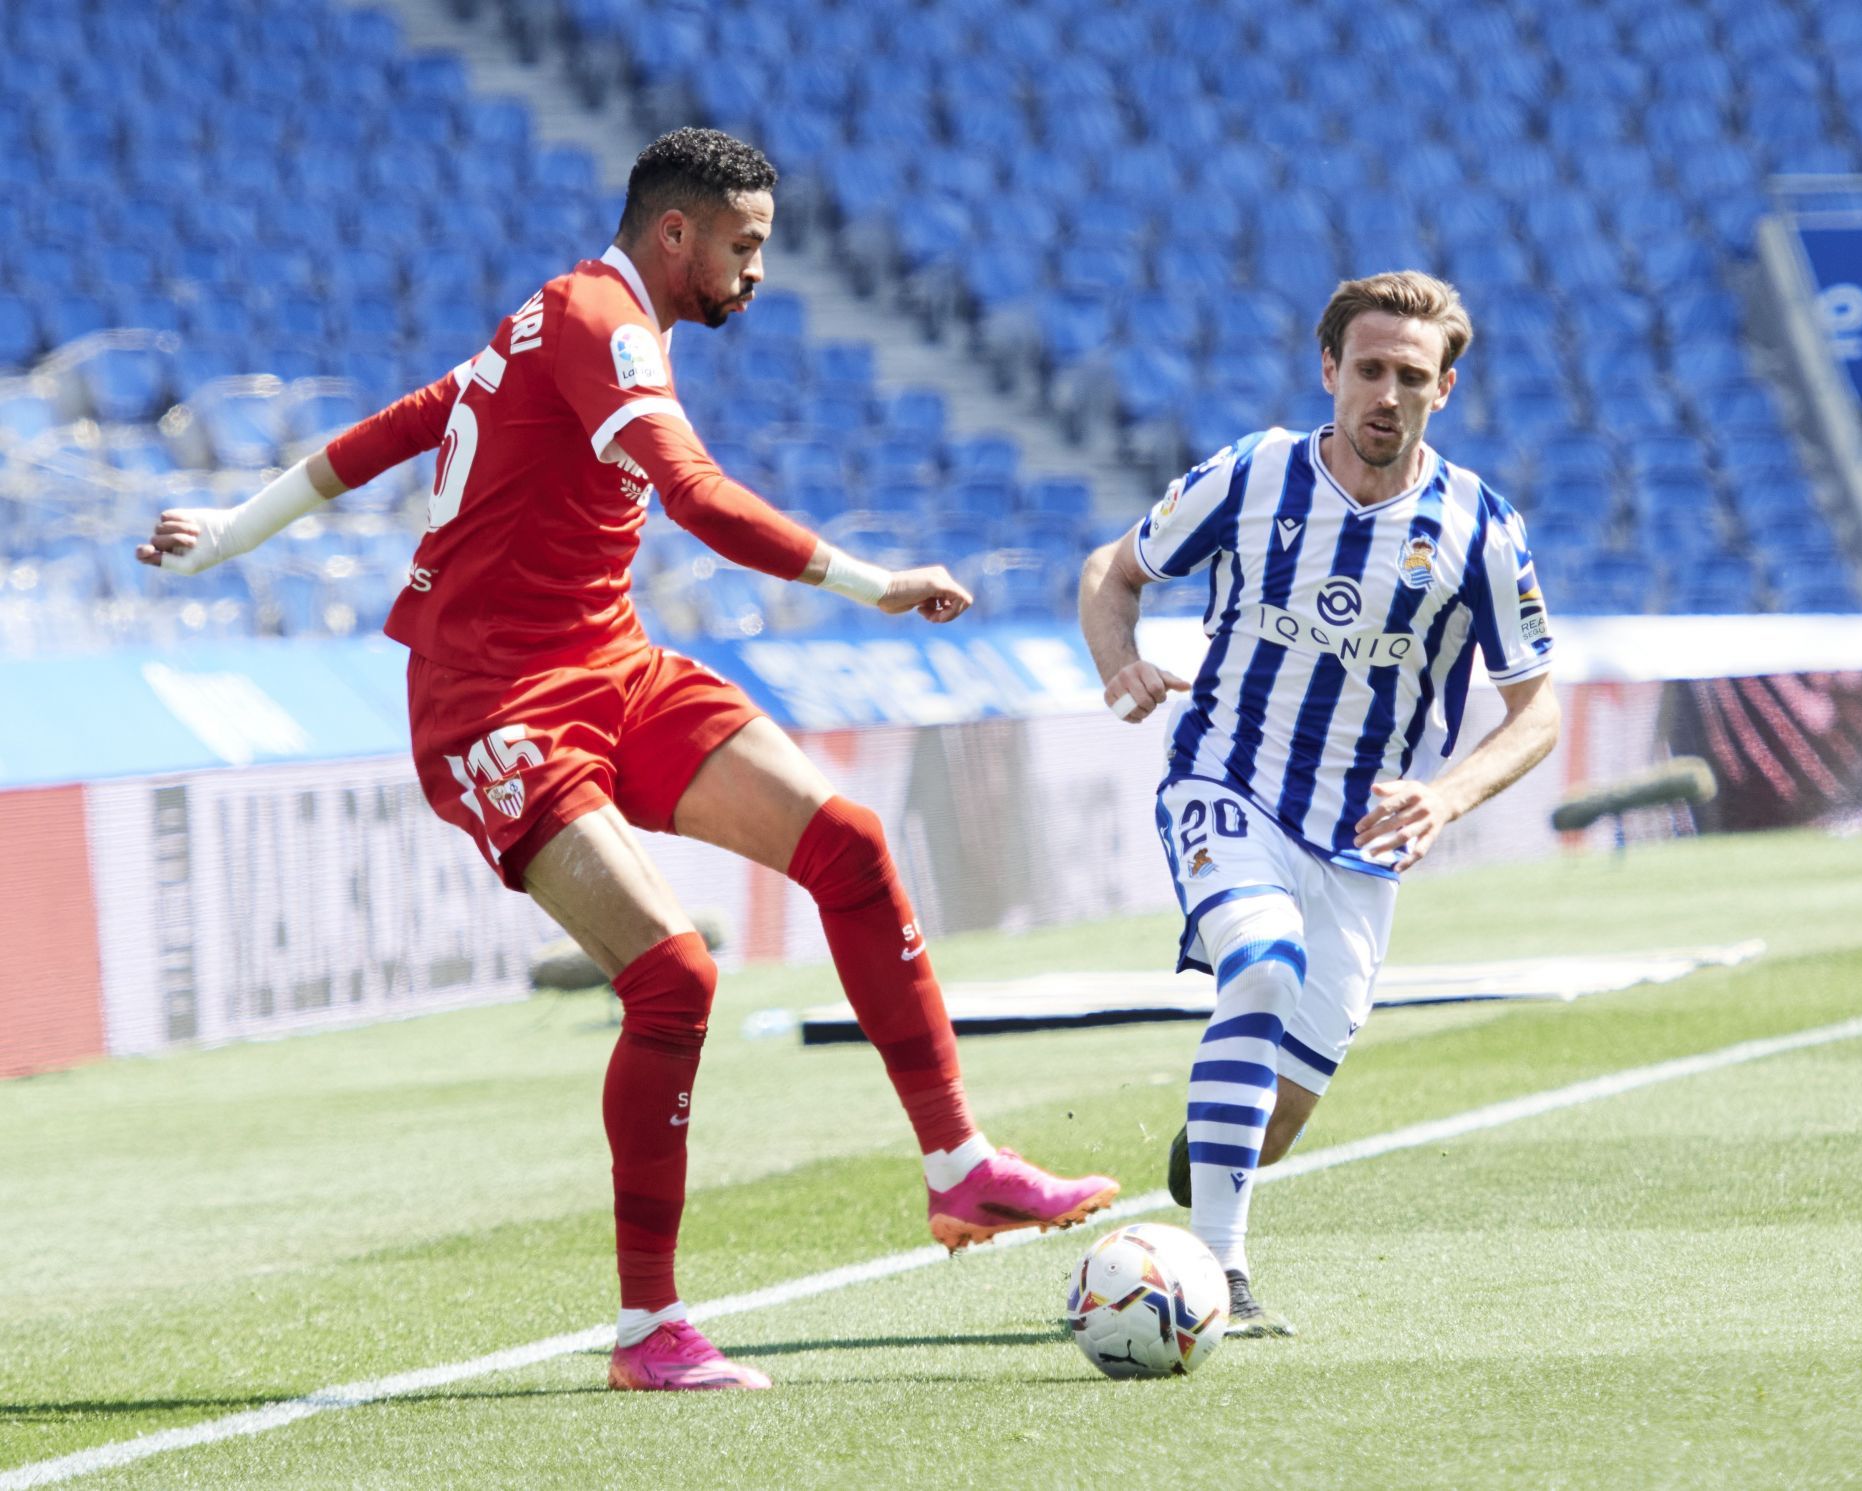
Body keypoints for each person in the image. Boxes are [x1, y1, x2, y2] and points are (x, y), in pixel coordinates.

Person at [138, 127, 1118, 1392]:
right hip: (494, 703)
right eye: (745, 248)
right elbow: (699, 500)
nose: (757, 273)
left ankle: (961, 1170)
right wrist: (874, 583)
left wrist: (227, 531)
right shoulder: (601, 323)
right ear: (677, 236)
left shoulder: (561, 320)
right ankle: (648, 1330)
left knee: (849, 845)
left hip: (611, 664)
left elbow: (396, 427)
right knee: (673, 977)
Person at [1077, 270, 1559, 1335]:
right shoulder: (1251, 476)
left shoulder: (1480, 526)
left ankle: (1210, 1165)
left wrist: (1445, 796)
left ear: (1448, 387)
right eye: (1370, 369)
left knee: (1279, 1119)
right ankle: (1221, 1275)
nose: (1387, 395)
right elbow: (1112, 570)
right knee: (1260, 964)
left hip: (1362, 843)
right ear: (1329, 369)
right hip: (1228, 783)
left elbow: (1537, 714)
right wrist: (1121, 665)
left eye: (1413, 377)